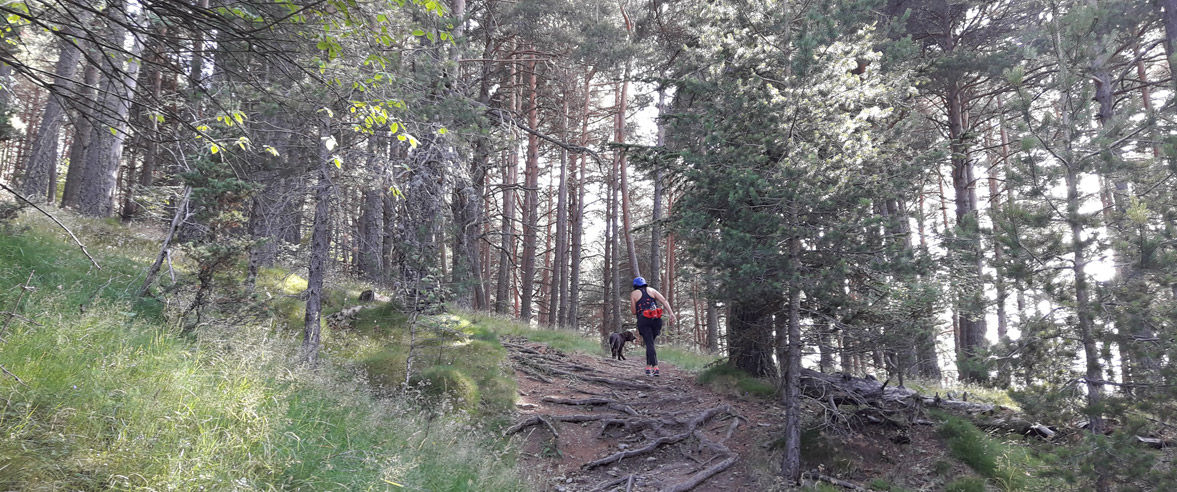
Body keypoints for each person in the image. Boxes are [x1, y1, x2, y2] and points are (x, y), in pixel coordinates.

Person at [630, 277, 675, 376]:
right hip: (656, 319)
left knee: (649, 343)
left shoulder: (634, 294)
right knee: (650, 343)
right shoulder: (652, 290)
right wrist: (671, 313)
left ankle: (655, 367)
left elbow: (633, 311)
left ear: (635, 285)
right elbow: (664, 301)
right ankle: (648, 367)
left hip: (644, 320)